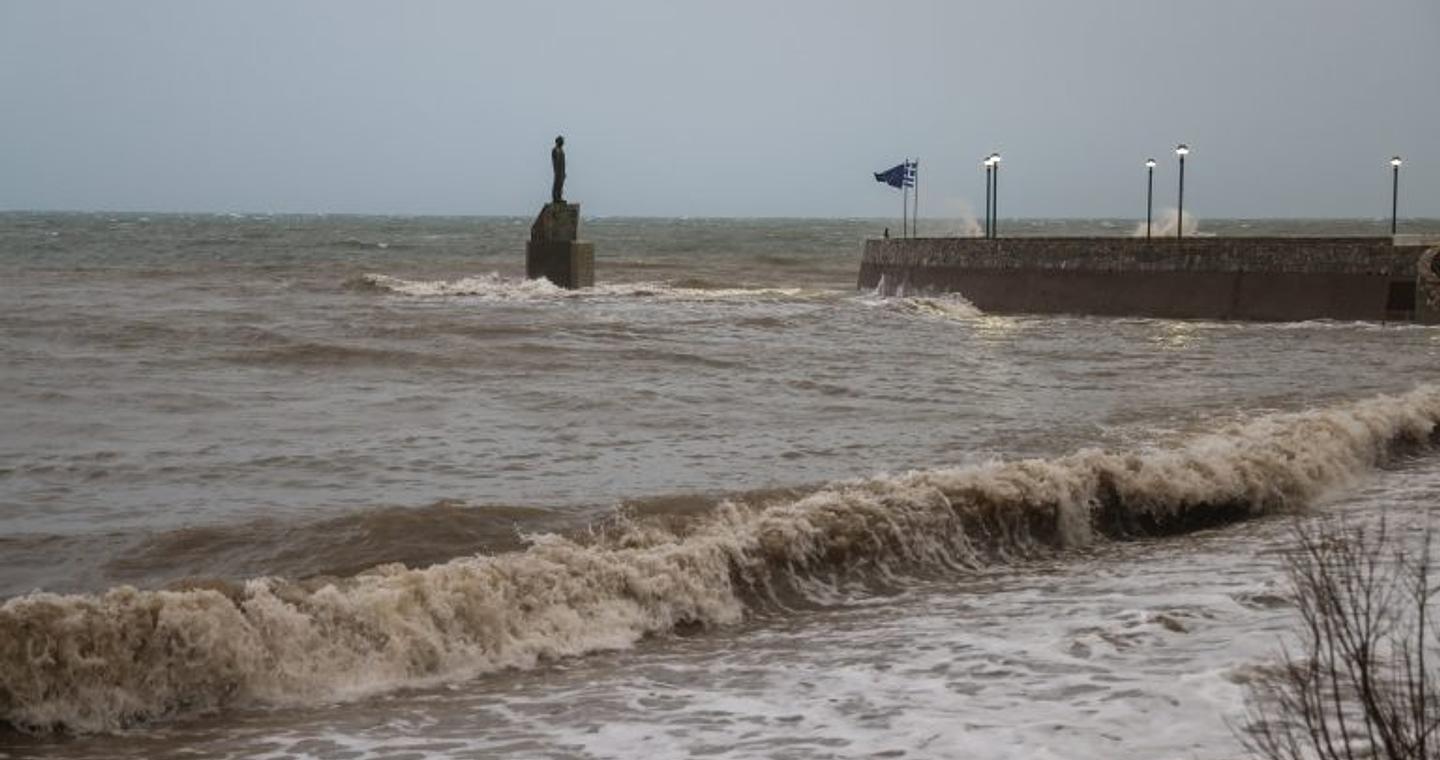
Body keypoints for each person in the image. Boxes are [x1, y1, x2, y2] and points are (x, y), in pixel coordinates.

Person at [551, 136, 566, 204]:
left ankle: (559, 197)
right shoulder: (555, 150)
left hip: (562, 170)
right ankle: (555, 198)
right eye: (561, 141)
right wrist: (556, 170)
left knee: (561, 184)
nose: (562, 143)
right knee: (556, 183)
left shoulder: (562, 151)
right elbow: (555, 161)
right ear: (557, 142)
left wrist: (564, 172)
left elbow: (563, 162)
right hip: (557, 170)